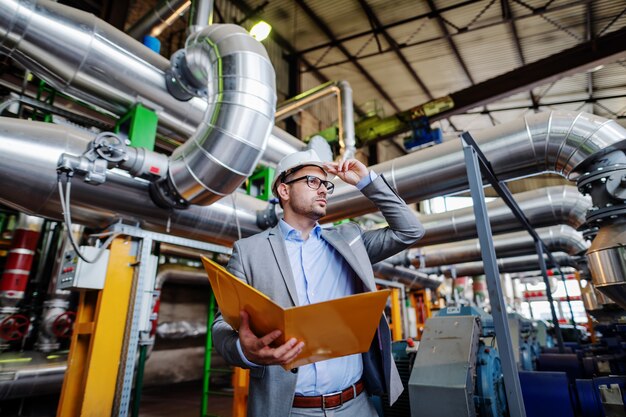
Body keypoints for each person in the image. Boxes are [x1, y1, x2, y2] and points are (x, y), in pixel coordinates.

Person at [212, 149, 425, 416]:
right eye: (313, 181)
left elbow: (410, 230)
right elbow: (222, 325)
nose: (323, 189)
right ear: (284, 191)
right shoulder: (249, 251)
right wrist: (245, 351)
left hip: (357, 405)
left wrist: (366, 181)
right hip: (289, 410)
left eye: (326, 184)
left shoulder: (350, 240)